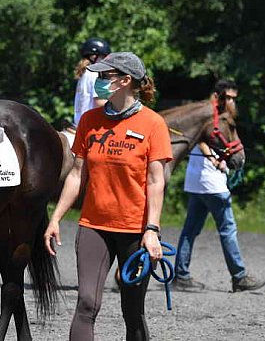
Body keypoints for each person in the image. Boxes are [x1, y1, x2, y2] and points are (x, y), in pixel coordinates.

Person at [44, 52, 173, 341]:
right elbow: (77, 174)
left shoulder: (153, 124)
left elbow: (156, 181)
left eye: (105, 76)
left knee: (133, 310)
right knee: (86, 303)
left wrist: (151, 230)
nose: (98, 81)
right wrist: (55, 218)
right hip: (94, 226)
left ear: (125, 81)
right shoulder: (90, 121)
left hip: (135, 230)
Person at [173, 80, 265, 292]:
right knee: (228, 229)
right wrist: (214, 160)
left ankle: (181, 275)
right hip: (210, 180)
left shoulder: (213, 115)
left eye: (234, 98)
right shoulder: (210, 116)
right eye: (228, 97)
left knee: (190, 230)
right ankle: (239, 276)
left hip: (197, 180)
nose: (232, 101)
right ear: (217, 96)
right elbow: (200, 139)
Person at [73, 37, 112, 127]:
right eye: (103, 57)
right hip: (91, 126)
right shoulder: (95, 74)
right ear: (93, 57)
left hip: (79, 123)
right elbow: (100, 103)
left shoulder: (85, 73)